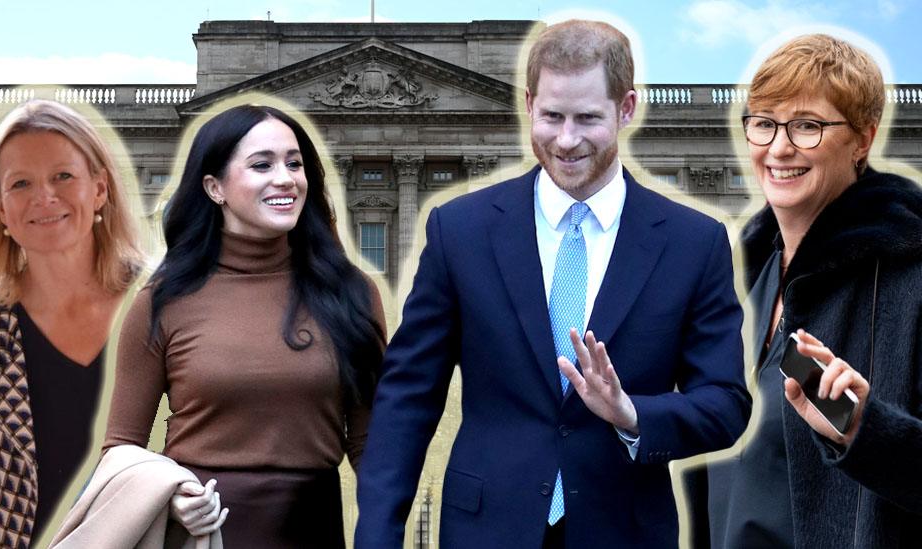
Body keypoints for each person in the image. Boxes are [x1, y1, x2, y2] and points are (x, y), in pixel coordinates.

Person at [355, 19, 750, 549]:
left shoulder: (693, 243)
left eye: (587, 118)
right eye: (552, 116)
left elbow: (724, 403)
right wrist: (377, 536)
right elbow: (408, 395)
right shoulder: (461, 230)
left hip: (625, 531)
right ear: (528, 105)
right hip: (486, 530)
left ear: (626, 109)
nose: (566, 141)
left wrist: (632, 415)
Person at [102, 104, 386, 547]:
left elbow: (369, 443)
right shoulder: (162, 300)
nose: (286, 178)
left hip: (312, 531)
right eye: (262, 164)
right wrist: (171, 497)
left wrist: (384, 530)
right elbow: (121, 448)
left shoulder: (352, 293)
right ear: (214, 187)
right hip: (201, 534)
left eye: (295, 163)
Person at [701, 34, 922, 548]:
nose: (779, 147)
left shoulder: (910, 277)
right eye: (764, 124)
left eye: (807, 126)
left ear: (863, 140)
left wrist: (867, 431)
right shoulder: (745, 281)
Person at [0, 99, 144, 548]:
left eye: (63, 176)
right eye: (21, 183)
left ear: (99, 189)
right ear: (0, 209)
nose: (44, 197)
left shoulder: (166, 306)